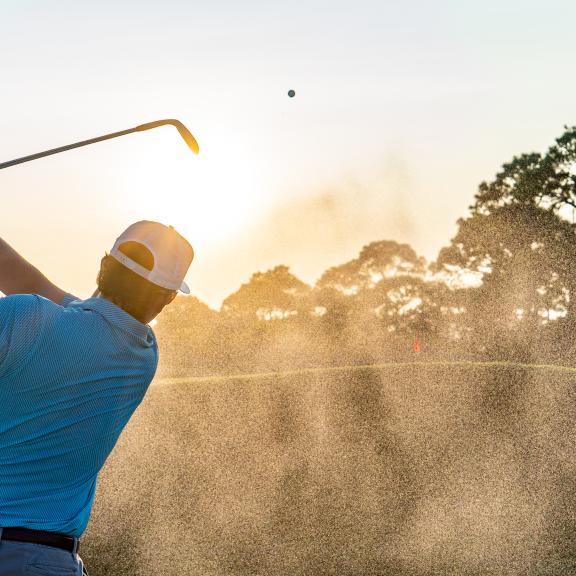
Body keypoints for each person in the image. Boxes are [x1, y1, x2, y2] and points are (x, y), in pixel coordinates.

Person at [0, 221, 194, 575]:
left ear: (103, 266)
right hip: (50, 562)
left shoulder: (20, 316)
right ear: (166, 300)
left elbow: (19, 278)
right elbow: (34, 286)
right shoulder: (141, 354)